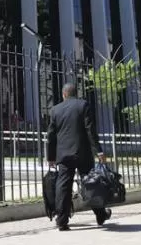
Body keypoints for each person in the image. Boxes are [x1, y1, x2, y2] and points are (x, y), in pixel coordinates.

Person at [46, 82, 110, 231]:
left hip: (64, 155)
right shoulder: (83, 105)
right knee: (91, 184)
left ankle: (61, 220)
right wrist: (99, 151)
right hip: (83, 154)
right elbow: (90, 130)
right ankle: (100, 214)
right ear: (76, 93)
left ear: (64, 94)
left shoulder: (55, 110)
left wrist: (50, 156)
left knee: (63, 186)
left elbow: (51, 136)